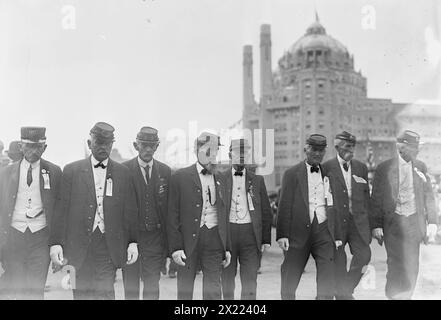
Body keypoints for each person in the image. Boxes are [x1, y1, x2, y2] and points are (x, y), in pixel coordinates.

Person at [49, 122, 139, 300]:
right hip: (76, 248)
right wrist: (56, 243)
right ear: (90, 144)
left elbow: (130, 211)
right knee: (80, 293)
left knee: (105, 292)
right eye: (99, 143)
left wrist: (133, 242)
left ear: (112, 145)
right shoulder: (71, 171)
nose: (103, 148)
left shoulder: (123, 173)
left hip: (109, 246)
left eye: (108, 144)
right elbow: (61, 211)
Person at [370, 130, 438, 300]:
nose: (418, 151)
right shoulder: (384, 168)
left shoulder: (421, 166)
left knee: (412, 265)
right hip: (393, 224)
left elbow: (428, 195)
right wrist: (376, 225)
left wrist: (433, 222)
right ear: (402, 148)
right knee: (395, 264)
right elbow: (376, 198)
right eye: (414, 148)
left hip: (414, 225)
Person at [276, 134, 342, 300]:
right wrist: (282, 235)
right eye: (314, 149)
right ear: (306, 149)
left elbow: (336, 206)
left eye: (321, 150)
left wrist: (338, 235)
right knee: (290, 276)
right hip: (298, 233)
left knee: (328, 273)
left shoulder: (330, 173)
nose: (317, 154)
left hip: (323, 231)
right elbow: (284, 205)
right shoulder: (291, 174)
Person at [167, 132, 231, 300]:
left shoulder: (222, 178)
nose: (213, 156)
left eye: (216, 151)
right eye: (209, 151)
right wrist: (176, 248)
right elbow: (172, 215)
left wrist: (228, 247)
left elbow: (225, 215)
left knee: (214, 290)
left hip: (214, 240)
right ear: (197, 151)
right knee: (185, 290)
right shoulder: (180, 177)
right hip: (188, 243)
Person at [0, 127, 62, 299]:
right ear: (21, 146)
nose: (33, 151)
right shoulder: (5, 174)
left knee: (35, 290)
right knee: (16, 288)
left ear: (45, 147)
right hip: (13, 239)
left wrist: (57, 244)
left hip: (40, 240)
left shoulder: (54, 172)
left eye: (38, 147)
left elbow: (59, 211)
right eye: (29, 146)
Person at [122, 127, 171, 300]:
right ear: (136, 145)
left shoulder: (165, 171)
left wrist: (168, 246)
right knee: (131, 287)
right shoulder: (123, 170)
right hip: (130, 240)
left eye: (152, 146)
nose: (148, 150)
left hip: (155, 239)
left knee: (152, 285)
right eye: (144, 145)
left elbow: (168, 211)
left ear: (157, 147)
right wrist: (128, 241)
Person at [220, 138, 272, 300]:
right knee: (227, 279)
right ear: (230, 154)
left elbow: (265, 210)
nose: (242, 156)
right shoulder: (220, 179)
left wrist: (265, 239)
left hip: (250, 235)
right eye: (238, 152)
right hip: (228, 234)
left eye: (245, 152)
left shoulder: (257, 180)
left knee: (250, 278)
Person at [323, 131, 371, 300]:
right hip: (336, 222)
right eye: (347, 146)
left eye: (353, 146)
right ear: (337, 148)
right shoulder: (326, 168)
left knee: (365, 256)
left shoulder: (361, 167)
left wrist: (370, 224)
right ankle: (344, 295)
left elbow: (366, 197)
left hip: (358, 221)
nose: (351, 150)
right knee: (339, 259)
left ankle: (345, 290)